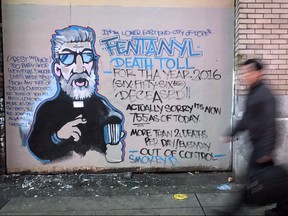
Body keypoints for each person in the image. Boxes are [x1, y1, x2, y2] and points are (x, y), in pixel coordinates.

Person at [27, 25, 125, 163]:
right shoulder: (48, 110)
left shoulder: (103, 110)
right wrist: (58, 136)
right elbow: (37, 147)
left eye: (86, 56)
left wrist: (113, 150)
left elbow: (112, 129)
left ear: (93, 65)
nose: (80, 67)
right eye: (67, 58)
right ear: (57, 69)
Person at [219, 59, 288, 216]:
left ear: (259, 73)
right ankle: (282, 209)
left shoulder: (265, 95)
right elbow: (247, 118)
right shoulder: (255, 91)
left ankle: (230, 211)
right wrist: (231, 133)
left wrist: (265, 151)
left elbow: (271, 125)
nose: (245, 75)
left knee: (252, 182)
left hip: (262, 149)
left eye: (249, 72)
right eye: (244, 72)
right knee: (277, 182)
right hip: (260, 147)